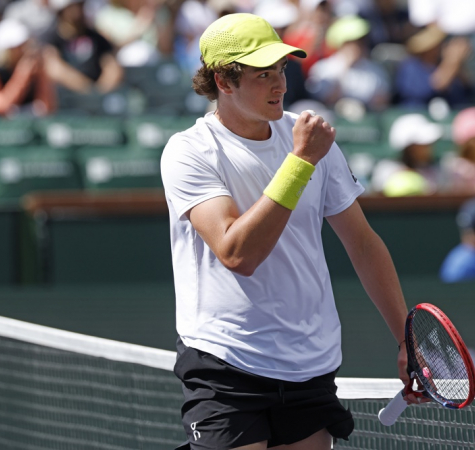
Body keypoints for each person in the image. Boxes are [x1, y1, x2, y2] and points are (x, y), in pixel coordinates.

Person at [160, 13, 424, 450]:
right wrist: (300, 163)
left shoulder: (310, 137)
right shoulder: (189, 152)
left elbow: (362, 242)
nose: (280, 84)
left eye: (282, 69)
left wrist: (406, 338)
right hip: (226, 361)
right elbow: (237, 253)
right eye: (263, 74)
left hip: (309, 363)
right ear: (224, 82)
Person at [307, 15, 391, 111]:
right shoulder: (322, 68)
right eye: (353, 42)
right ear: (341, 43)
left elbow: (382, 104)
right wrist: (345, 69)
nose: (359, 46)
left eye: (361, 41)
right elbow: (327, 100)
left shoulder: (375, 70)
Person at [43, 0, 124, 94]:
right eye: (72, 7)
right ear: (61, 11)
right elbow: (55, 69)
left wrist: (100, 91)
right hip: (67, 100)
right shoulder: (51, 38)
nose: (77, 11)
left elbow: (112, 66)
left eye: (80, 5)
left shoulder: (96, 38)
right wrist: (87, 90)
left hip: (99, 97)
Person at [0, 19, 56, 117]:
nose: (25, 49)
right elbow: (0, 107)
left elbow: (48, 108)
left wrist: (42, 74)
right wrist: (22, 75)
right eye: (18, 47)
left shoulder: (34, 69)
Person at [395, 25, 472, 108]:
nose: (441, 45)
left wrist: (458, 65)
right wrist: (452, 61)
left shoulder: (441, 64)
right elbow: (431, 89)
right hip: (418, 116)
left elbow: (468, 90)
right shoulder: (410, 66)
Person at [371, 113, 443, 196]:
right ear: (408, 148)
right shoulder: (385, 170)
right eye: (423, 145)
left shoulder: (436, 171)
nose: (429, 148)